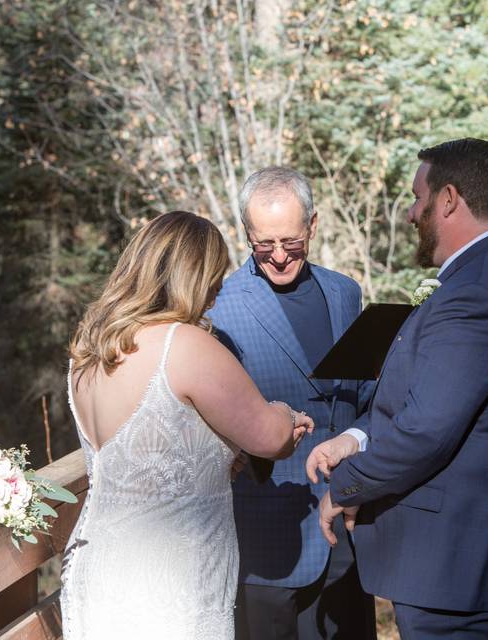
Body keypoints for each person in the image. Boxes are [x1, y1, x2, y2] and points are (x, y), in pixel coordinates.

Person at [307, 138, 488, 639]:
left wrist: (346, 487)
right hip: (468, 564)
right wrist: (357, 438)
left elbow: (426, 432)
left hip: (464, 568)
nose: (409, 213)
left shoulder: (476, 294)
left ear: (447, 200)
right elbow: (429, 402)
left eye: (416, 197)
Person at [59, 211, 314, 639]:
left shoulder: (88, 350)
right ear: (192, 276)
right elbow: (269, 438)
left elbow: (154, 445)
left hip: (96, 562)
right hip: (168, 576)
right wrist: (287, 415)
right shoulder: (186, 345)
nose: (214, 297)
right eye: (213, 280)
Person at [208, 167, 377, 639]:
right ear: (246, 234)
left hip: (346, 522)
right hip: (268, 540)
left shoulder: (345, 293)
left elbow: (366, 398)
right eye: (264, 245)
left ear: (313, 227)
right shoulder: (219, 305)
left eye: (291, 242)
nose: (279, 257)